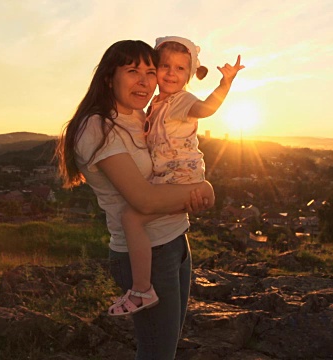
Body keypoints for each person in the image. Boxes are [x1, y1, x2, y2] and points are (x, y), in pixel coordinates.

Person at [55, 39, 215, 359]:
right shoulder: (97, 127)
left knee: (164, 349)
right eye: (132, 71)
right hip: (147, 255)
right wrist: (205, 190)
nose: (144, 81)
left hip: (175, 242)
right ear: (108, 78)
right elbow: (144, 200)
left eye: (149, 71)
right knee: (157, 354)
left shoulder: (139, 115)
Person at [117, 36, 245, 317]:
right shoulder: (157, 104)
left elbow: (206, 109)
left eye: (180, 69)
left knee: (131, 218)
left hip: (181, 179)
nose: (172, 74)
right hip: (169, 178)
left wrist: (225, 85)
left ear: (189, 75)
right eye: (165, 66)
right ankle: (143, 285)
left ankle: (141, 290)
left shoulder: (181, 100)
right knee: (137, 217)